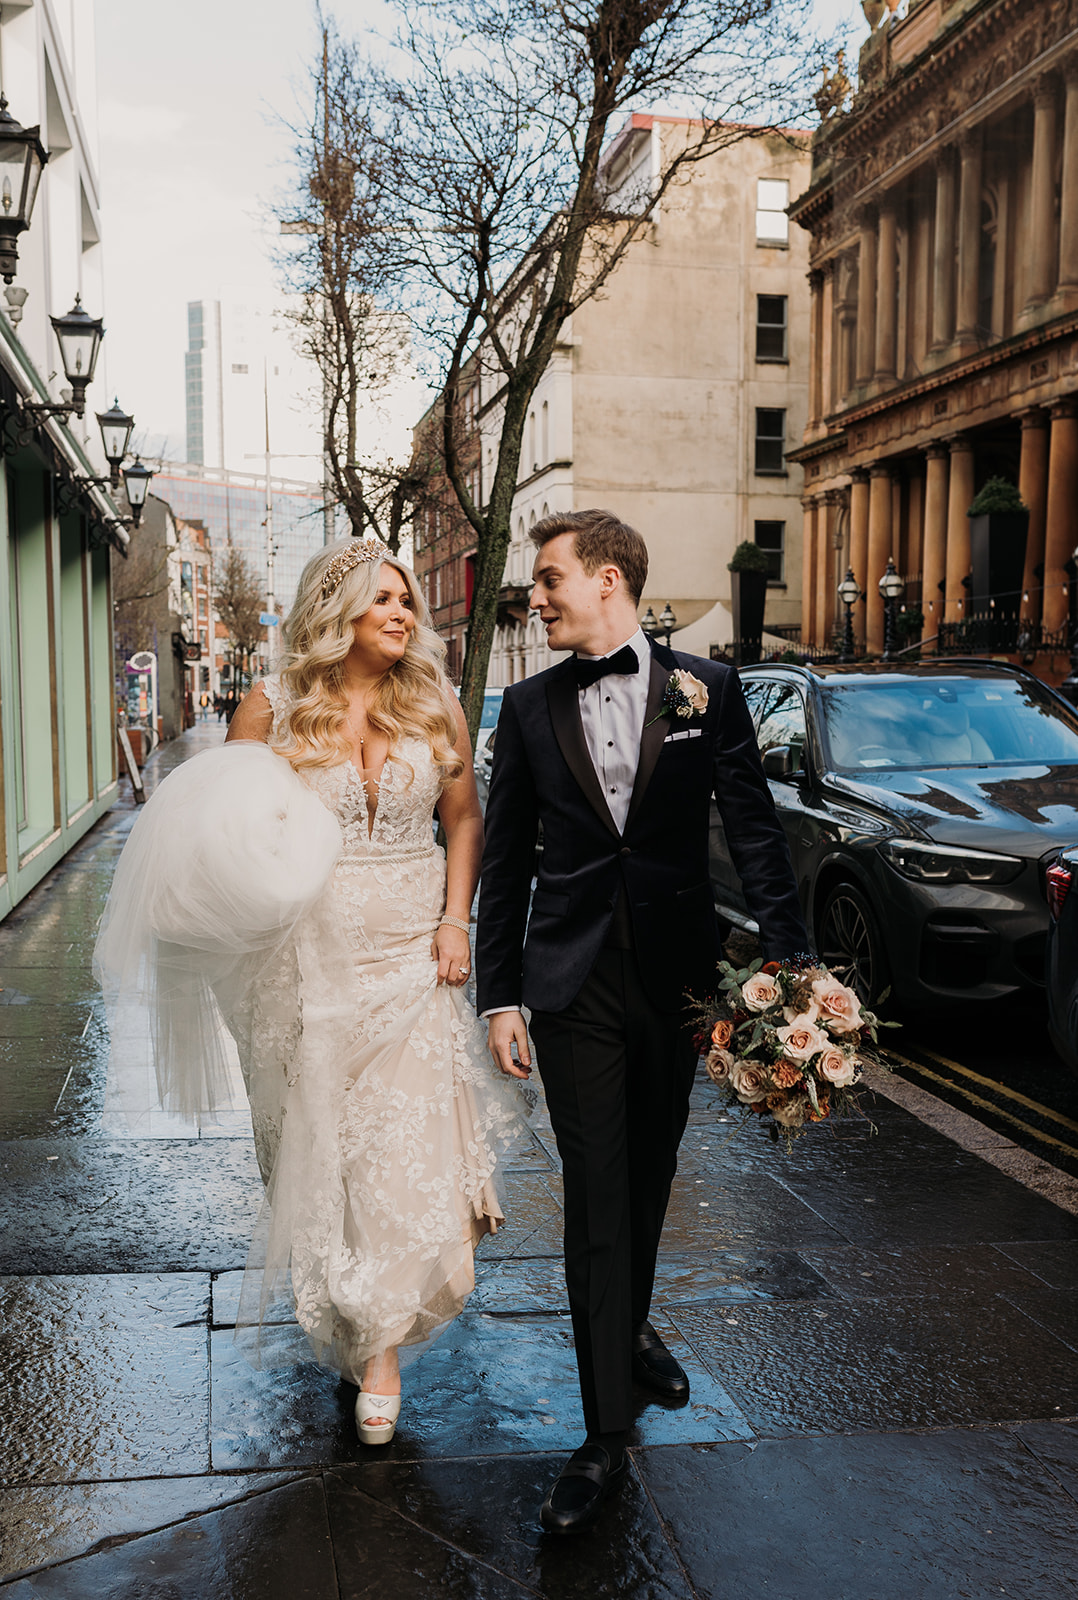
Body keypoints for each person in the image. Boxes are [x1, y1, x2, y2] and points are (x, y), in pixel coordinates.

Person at [96, 536, 521, 1446]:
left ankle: (381, 1353)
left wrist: (457, 921)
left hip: (413, 951)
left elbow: (464, 818)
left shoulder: (433, 702)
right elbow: (227, 842)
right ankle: (351, 1311)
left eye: (408, 599)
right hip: (309, 962)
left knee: (402, 1146)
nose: (404, 614)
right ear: (339, 615)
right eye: (384, 601)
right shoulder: (272, 709)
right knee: (323, 1148)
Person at [476, 509, 811, 1534]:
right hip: (570, 981)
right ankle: (602, 1436)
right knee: (596, 1188)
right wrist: (498, 993)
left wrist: (795, 967)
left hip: (676, 980)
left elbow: (751, 829)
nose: (535, 598)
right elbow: (505, 861)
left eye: (549, 578)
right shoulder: (530, 706)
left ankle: (623, 1328)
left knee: (651, 1174)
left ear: (608, 580)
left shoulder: (707, 688)